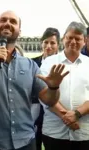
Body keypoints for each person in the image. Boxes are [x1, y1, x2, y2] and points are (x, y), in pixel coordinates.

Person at [0, 10, 69, 150]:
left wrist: (54, 88)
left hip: (25, 142)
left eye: (13, 21)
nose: (7, 23)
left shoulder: (29, 65)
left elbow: (49, 100)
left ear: (19, 31)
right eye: (3, 20)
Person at [40, 22, 89, 150]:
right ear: (63, 39)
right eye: (69, 37)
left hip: (84, 133)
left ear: (85, 41)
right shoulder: (48, 62)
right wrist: (67, 118)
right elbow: (43, 93)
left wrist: (77, 114)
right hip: (55, 133)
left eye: (78, 39)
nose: (73, 41)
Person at [31, 27, 60, 150]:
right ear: (41, 43)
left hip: (56, 114)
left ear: (58, 45)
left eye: (52, 43)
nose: (48, 46)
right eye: (46, 42)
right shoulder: (32, 63)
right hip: (34, 112)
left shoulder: (62, 65)